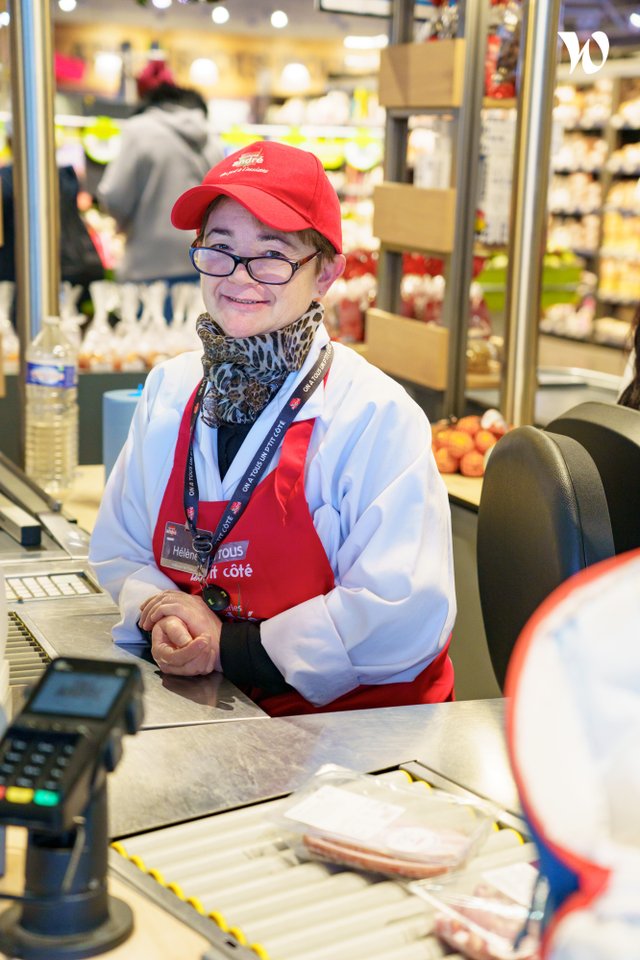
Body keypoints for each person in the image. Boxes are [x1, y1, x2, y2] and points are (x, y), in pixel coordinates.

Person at [89, 140, 457, 717]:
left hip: (361, 740)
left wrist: (230, 646)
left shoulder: (374, 416)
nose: (239, 276)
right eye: (220, 248)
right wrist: (161, 609)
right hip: (217, 711)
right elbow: (122, 549)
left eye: (272, 254)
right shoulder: (170, 390)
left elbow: (401, 611)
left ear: (326, 272)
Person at [96, 60, 223, 286]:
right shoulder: (211, 136)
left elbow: (114, 197)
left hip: (147, 266)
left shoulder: (139, 129)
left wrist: (123, 223)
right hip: (202, 264)